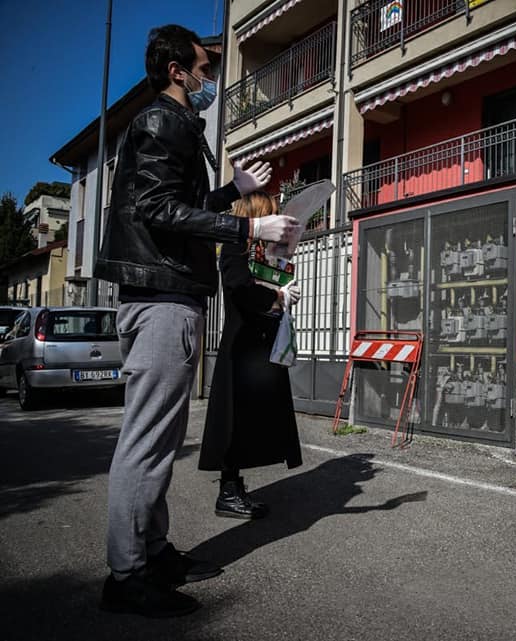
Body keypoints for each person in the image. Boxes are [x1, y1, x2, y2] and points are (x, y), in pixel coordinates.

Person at [94, 25, 301, 618]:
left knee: (159, 440)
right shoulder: (162, 121)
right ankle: (127, 573)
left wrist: (230, 190)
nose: (211, 78)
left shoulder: (174, 125)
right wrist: (248, 225)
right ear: (176, 71)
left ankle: (153, 552)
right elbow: (155, 209)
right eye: (205, 68)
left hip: (168, 292)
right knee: (147, 441)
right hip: (160, 296)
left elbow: (174, 203)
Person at [198, 191, 304, 519]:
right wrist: (278, 297)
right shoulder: (234, 245)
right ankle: (228, 491)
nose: (274, 217)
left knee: (251, 420)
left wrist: (281, 280)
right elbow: (238, 287)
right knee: (234, 421)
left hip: (259, 344)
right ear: (255, 213)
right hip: (241, 344)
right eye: (270, 212)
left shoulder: (260, 250)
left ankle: (233, 488)